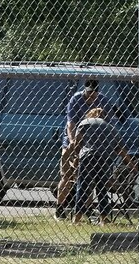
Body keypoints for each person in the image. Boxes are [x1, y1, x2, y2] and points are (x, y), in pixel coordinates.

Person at [57, 79, 112, 220]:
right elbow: (71, 124)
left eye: (94, 94)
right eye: (88, 94)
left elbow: (106, 124)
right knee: (67, 176)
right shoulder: (76, 99)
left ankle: (86, 209)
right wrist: (73, 142)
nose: (91, 97)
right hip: (73, 140)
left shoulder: (103, 101)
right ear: (84, 91)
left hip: (90, 145)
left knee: (88, 178)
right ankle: (60, 208)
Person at [72, 107, 134, 224]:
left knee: (83, 187)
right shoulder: (111, 129)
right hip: (105, 159)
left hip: (88, 156)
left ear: (90, 114)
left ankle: (77, 218)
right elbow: (120, 150)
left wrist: (76, 157)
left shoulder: (85, 123)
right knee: (102, 189)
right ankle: (104, 219)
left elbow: (77, 142)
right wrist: (133, 166)